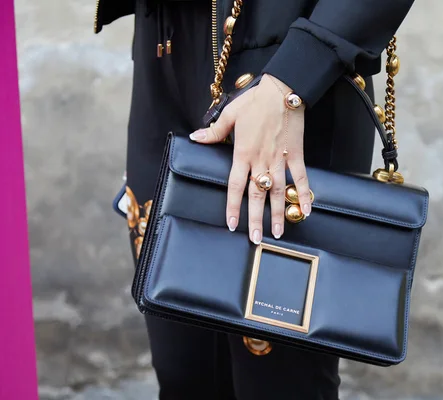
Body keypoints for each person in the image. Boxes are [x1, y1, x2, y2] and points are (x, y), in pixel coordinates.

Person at [95, 0, 415, 398]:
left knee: (278, 381)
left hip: (283, 72)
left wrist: (294, 77)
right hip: (163, 45)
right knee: (183, 372)